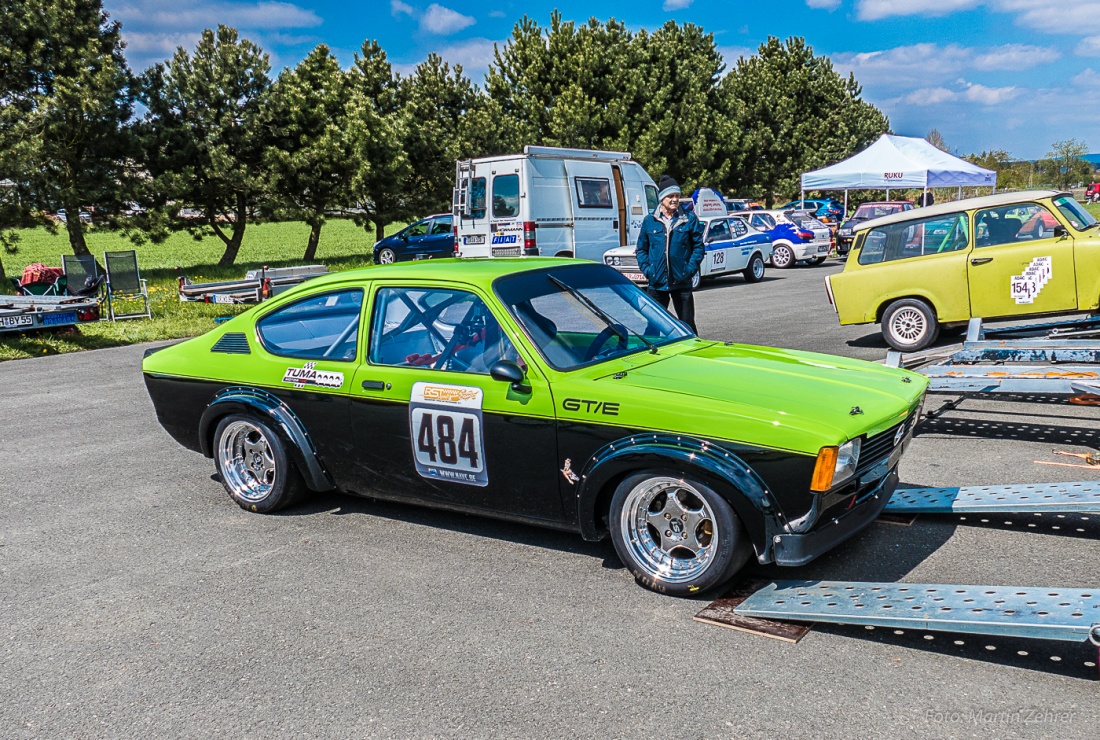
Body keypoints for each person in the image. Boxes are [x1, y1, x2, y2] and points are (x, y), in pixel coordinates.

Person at [636, 175, 705, 334]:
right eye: (670, 196)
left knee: (687, 325)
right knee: (653, 327)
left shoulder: (688, 219)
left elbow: (698, 247)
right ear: (662, 198)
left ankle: (691, 356)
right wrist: (649, 271)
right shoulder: (649, 221)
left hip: (681, 282)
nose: (675, 200)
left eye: (677, 196)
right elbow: (641, 249)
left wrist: (688, 270)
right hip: (657, 283)